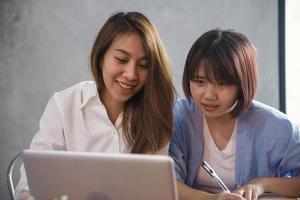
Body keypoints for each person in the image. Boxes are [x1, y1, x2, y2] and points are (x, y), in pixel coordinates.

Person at [15, 11, 174, 199]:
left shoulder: (155, 113)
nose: (131, 74)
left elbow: (155, 193)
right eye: (121, 60)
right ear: (101, 58)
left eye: (144, 65)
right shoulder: (63, 105)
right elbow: (27, 188)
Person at [169, 29, 300, 200]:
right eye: (199, 82)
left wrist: (261, 184)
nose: (208, 95)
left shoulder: (277, 126)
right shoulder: (178, 117)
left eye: (222, 83)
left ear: (243, 83)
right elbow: (167, 183)